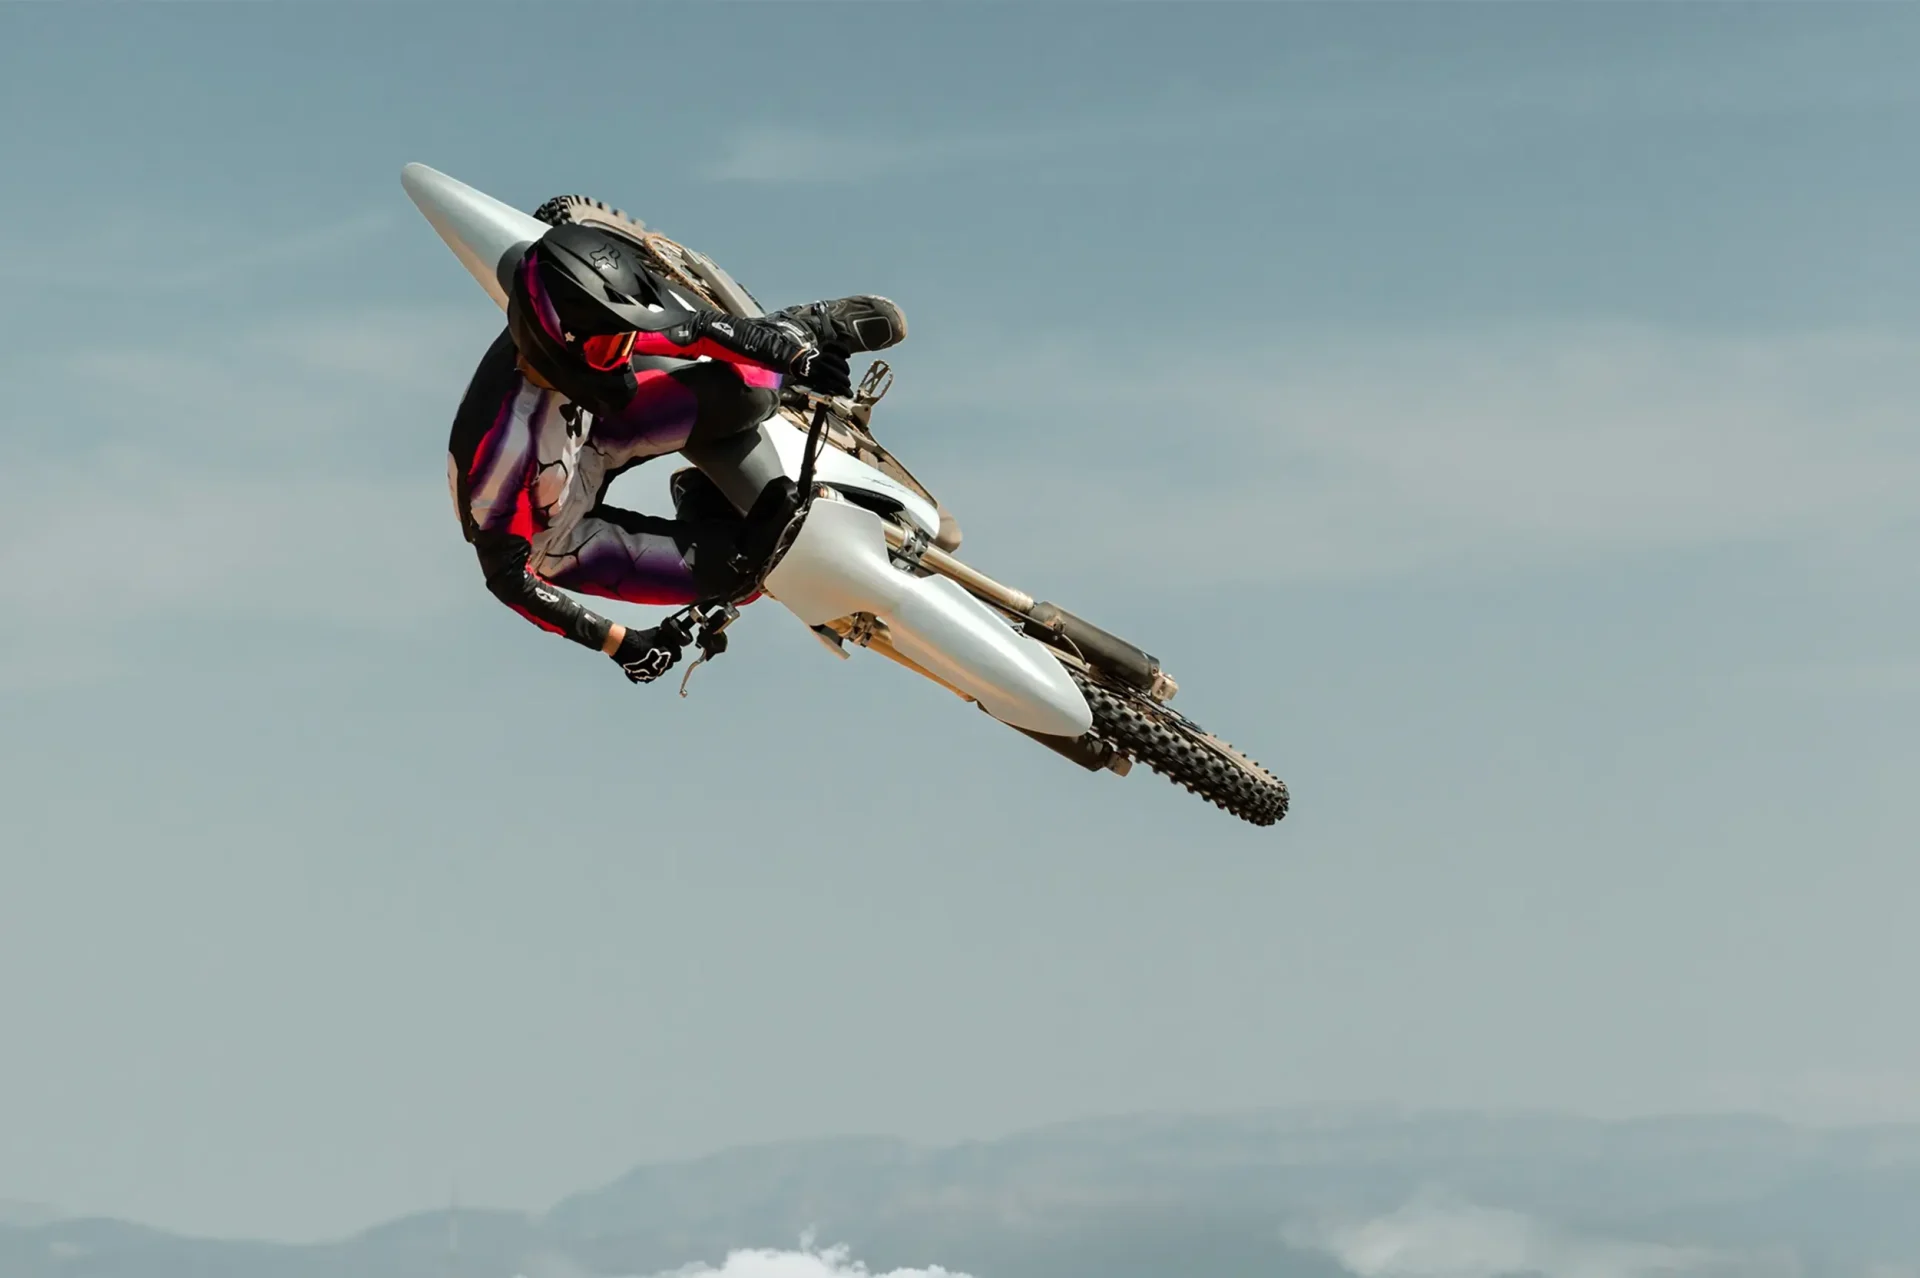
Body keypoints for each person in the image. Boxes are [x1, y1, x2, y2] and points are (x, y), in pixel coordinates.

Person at [446, 220, 905, 685]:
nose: (624, 355)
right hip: (557, 535)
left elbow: (695, 330)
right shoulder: (503, 456)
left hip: (590, 439)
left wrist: (797, 357)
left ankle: (809, 320)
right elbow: (508, 577)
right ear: (557, 344)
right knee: (744, 574)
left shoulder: (579, 333)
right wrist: (621, 643)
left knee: (752, 393)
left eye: (627, 338)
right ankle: (699, 501)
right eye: (612, 348)